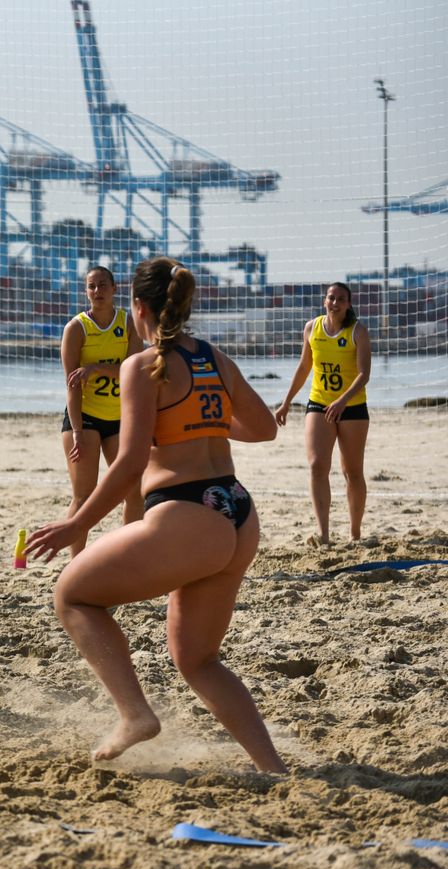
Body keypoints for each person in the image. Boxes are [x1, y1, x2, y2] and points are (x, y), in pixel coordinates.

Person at [26, 257, 286, 774]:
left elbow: (130, 463)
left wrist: (78, 524)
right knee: (198, 660)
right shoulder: (214, 356)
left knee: (72, 595)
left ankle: (135, 715)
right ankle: (272, 768)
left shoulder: (141, 364)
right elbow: (263, 429)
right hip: (236, 510)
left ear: (137, 308)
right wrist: (199, 423)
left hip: (187, 514)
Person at [273, 283, 371, 545]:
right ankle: (323, 534)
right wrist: (286, 403)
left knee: (352, 472)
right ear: (324, 301)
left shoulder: (357, 331)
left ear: (348, 304)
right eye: (331, 298)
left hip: (352, 407)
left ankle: (355, 534)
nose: (335, 302)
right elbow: (304, 367)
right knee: (317, 465)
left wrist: (342, 400)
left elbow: (364, 375)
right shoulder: (311, 328)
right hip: (319, 403)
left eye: (341, 299)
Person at [60, 265, 145, 556]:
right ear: (86, 291)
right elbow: (71, 385)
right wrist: (77, 431)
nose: (97, 291)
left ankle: (128, 556)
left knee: (134, 491)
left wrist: (97, 369)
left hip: (120, 417)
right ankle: (75, 565)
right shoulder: (76, 328)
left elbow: (134, 370)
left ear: (114, 288)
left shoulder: (129, 323)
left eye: (102, 286)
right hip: (84, 419)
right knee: (84, 496)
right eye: (91, 287)